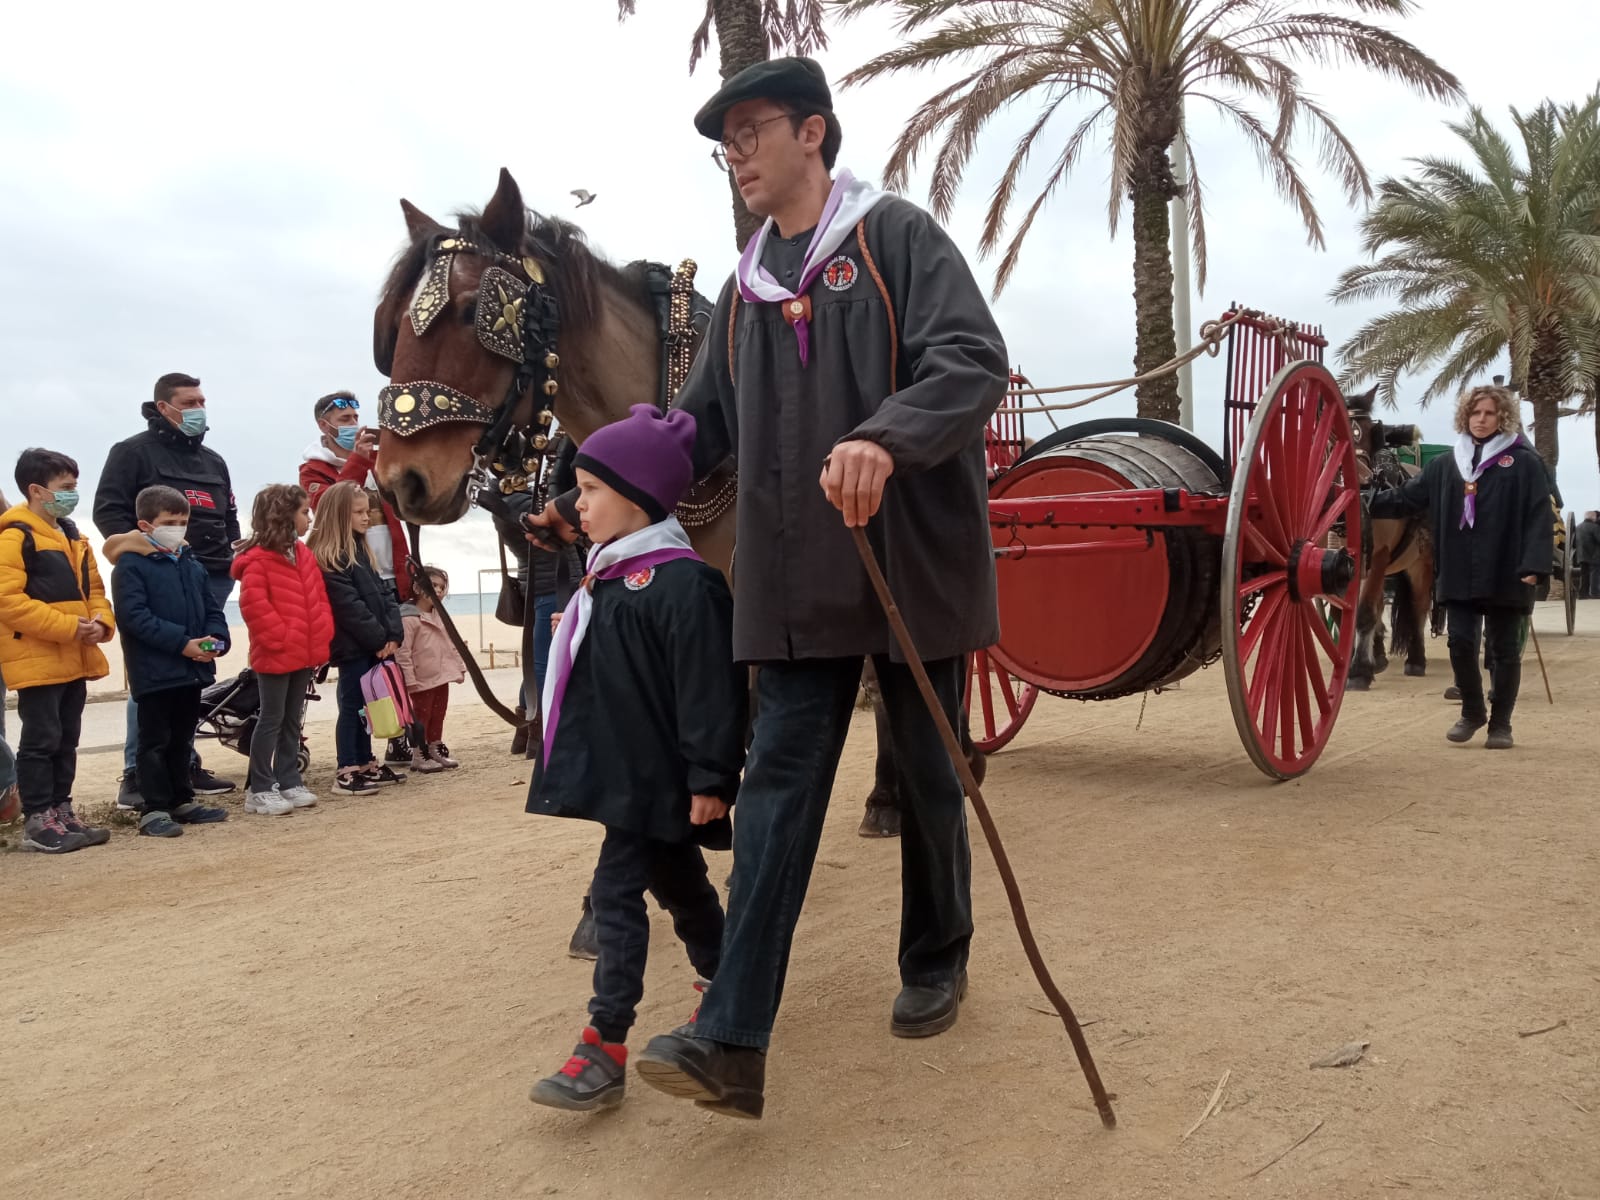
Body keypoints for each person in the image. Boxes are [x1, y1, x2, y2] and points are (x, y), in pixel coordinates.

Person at [531, 58, 1008, 1118]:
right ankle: (732, 1037)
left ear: (813, 134)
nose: (737, 155)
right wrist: (599, 486)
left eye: (752, 132)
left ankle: (936, 956)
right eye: (726, 141)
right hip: (793, 589)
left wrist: (884, 439)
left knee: (927, 779)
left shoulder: (895, 241)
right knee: (779, 797)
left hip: (905, 573)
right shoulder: (749, 289)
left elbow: (971, 361)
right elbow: (696, 426)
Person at [526, 407, 745, 1113]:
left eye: (589, 489)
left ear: (640, 494)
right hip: (625, 776)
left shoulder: (684, 584)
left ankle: (604, 1041)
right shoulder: (607, 579)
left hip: (660, 781)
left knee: (616, 899)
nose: (577, 505)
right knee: (682, 891)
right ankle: (728, 988)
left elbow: (711, 690)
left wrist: (713, 777)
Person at [1369, 384, 1552, 749]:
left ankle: (1501, 724)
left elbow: (1538, 515)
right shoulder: (1446, 465)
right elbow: (1407, 498)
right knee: (1460, 642)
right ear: (1465, 417)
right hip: (1459, 567)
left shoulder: (1524, 463)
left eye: (1489, 413)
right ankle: (1472, 711)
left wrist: (1534, 563)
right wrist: (1363, 500)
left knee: (1502, 651)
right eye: (1475, 413)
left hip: (1507, 568)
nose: (1481, 420)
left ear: (1502, 417)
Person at [96, 372, 240, 809]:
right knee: (156, 680)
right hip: (155, 577)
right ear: (164, 406)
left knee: (189, 678)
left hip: (207, 574)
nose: (199, 409)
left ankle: (184, 768)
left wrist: (232, 560)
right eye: (189, 402)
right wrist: (143, 556)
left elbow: (229, 515)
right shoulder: (131, 453)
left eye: (202, 401)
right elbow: (108, 510)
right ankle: (137, 775)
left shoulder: (214, 460)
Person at [0, 449, 117, 853]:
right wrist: (70, 628)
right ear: (36, 490)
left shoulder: (74, 536)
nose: (73, 494)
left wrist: (101, 624)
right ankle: (37, 819)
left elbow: (96, 591)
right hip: (37, 656)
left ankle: (62, 810)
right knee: (41, 739)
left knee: (67, 737)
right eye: (65, 487)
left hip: (75, 656)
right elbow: (7, 601)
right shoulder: (15, 536)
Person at [105, 486, 233, 837]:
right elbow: (134, 617)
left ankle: (181, 798)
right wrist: (182, 644)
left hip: (191, 669)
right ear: (146, 525)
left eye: (183, 521)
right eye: (169, 522)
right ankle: (153, 808)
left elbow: (210, 608)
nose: (178, 528)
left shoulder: (190, 562)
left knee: (182, 738)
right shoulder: (131, 565)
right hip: (155, 670)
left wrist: (216, 639)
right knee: (154, 741)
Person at [231, 484, 335, 816]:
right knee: (271, 719)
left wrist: (321, 635)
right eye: (304, 512)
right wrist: (281, 638)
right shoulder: (258, 559)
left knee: (294, 719)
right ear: (283, 514)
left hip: (303, 651)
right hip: (277, 653)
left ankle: (289, 778)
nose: (309, 519)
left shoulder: (303, 554)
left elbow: (319, 598)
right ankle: (260, 787)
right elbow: (254, 606)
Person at [307, 481, 406, 795]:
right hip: (353, 648)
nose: (367, 518)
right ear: (339, 515)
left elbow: (385, 595)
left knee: (371, 705)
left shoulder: (361, 550)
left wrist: (393, 634)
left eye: (369, 511)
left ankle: (365, 761)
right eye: (360, 512)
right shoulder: (330, 556)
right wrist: (379, 639)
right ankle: (347, 767)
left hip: (375, 645)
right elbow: (349, 607)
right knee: (353, 706)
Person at [395, 565, 466, 773]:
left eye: (442, 587)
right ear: (417, 587)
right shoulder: (409, 617)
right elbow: (403, 652)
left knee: (438, 713)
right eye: (433, 585)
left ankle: (435, 746)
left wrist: (459, 667)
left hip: (441, 674)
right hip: (421, 677)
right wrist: (408, 679)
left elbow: (451, 643)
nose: (438, 591)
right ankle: (419, 752)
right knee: (421, 715)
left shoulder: (439, 615)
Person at [1575, 510, 1600, 599]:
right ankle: (1595, 593)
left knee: (1584, 575)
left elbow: (1573, 543)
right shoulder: (1595, 527)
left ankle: (1583, 594)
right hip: (1594, 555)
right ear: (1594, 517)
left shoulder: (1578, 527)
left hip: (1581, 555)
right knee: (1595, 574)